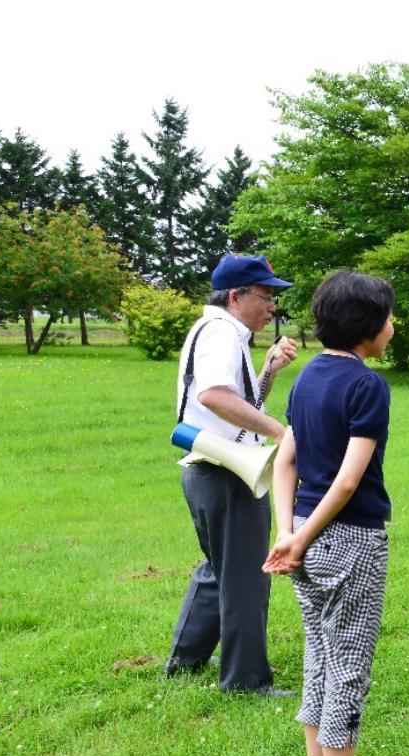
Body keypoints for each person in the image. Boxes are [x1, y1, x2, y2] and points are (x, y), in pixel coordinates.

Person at [262, 270, 399, 756]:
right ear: (367, 327)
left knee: (319, 651)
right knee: (348, 664)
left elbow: (285, 461)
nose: (392, 325)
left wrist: (288, 533)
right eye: (387, 317)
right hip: (347, 539)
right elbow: (346, 483)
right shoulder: (368, 385)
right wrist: (301, 536)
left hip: (304, 536)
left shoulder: (309, 377)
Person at [166, 253, 299, 696]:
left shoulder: (222, 332)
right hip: (226, 473)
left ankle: (185, 661)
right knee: (245, 576)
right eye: (266, 296)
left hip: (209, 470)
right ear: (237, 296)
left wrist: (267, 371)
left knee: (219, 570)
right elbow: (214, 396)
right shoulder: (222, 334)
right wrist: (280, 432)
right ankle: (244, 681)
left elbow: (240, 403)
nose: (272, 307)